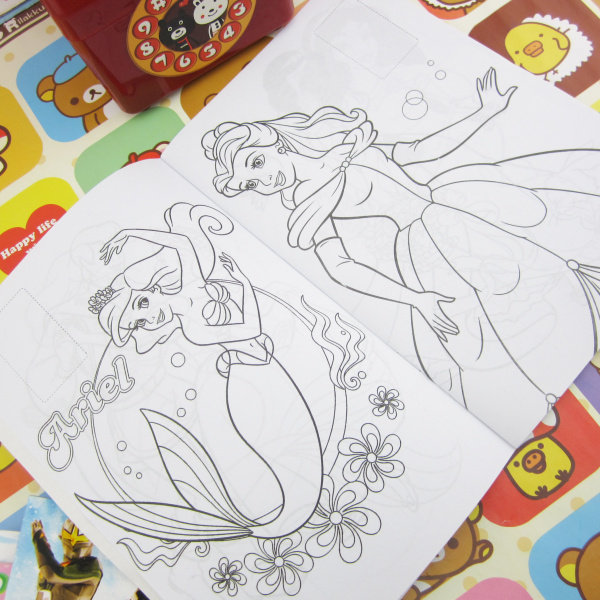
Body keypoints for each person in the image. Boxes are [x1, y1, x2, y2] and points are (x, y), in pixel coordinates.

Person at [201, 67, 600, 417]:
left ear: (276, 142)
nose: (264, 180)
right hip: (425, 251)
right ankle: (541, 384)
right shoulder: (310, 207)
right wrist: (413, 298)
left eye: (257, 163)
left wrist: (486, 112)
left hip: (454, 203)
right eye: (251, 183)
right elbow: (341, 268)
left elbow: (422, 152)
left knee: (545, 258)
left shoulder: (351, 146)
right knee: (485, 331)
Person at [84, 203, 323, 541]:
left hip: (257, 370)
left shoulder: (190, 287)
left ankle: (263, 510)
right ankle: (254, 512)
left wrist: (130, 233)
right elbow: (250, 327)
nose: (149, 316)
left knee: (285, 452)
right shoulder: (194, 329)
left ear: (148, 290)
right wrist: (242, 285)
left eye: (141, 304)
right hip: (250, 374)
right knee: (262, 448)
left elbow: (181, 242)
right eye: (139, 323)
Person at [32, 519, 102, 600]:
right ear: (61, 538)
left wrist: (39, 539)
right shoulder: (57, 572)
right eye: (69, 539)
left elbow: (51, 574)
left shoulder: (92, 568)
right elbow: (49, 576)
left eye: (80, 541)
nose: (73, 545)